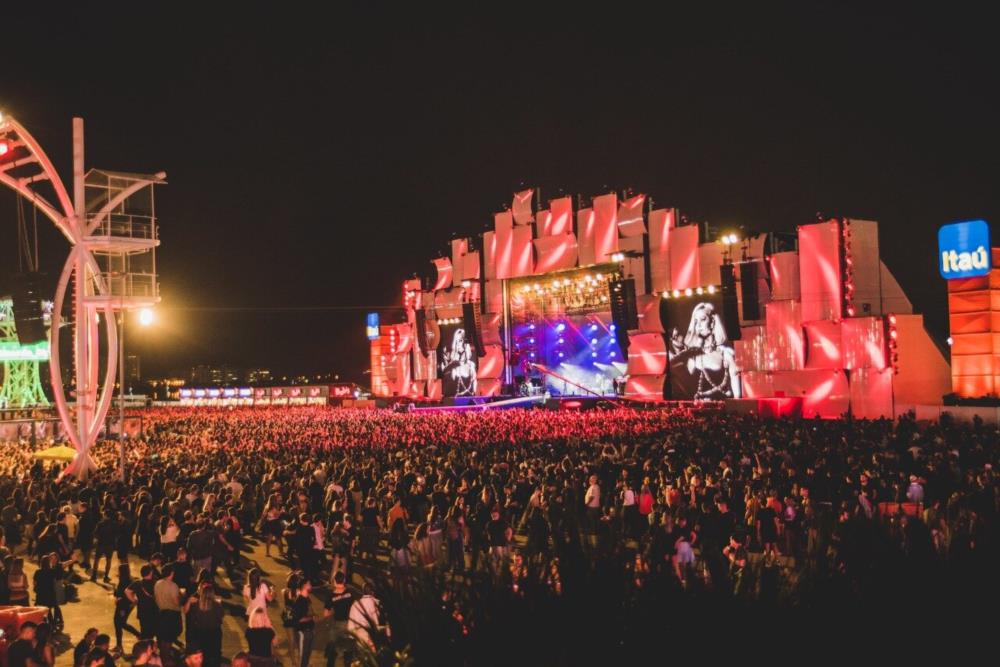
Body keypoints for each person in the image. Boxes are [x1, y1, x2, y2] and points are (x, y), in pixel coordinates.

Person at [184, 581, 223, 667]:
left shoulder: (195, 605)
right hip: (214, 635)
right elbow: (220, 619)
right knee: (213, 656)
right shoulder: (217, 606)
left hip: (200, 634)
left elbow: (190, 617)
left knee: (202, 657)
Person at [323, 570, 355, 667]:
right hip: (349, 624)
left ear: (335, 581)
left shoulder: (331, 596)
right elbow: (354, 606)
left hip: (337, 625)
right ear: (344, 580)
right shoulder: (350, 593)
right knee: (348, 651)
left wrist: (333, 611)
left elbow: (325, 614)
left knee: (333, 651)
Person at [347, 583, 385, 652]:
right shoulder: (372, 602)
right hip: (366, 634)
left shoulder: (355, 603)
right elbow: (375, 623)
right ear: (373, 592)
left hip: (355, 634)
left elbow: (350, 626)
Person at [154, 563, 183, 650]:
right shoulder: (173, 586)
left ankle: (163, 655)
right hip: (172, 615)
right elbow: (176, 602)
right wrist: (181, 597)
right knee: (169, 639)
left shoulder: (157, 583)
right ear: (171, 573)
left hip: (161, 613)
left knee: (163, 637)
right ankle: (167, 656)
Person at [290, 577, 315, 667]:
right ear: (304, 586)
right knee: (303, 657)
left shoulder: (307, 599)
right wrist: (311, 618)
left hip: (309, 631)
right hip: (303, 633)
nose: (311, 586)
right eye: (309, 584)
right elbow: (297, 620)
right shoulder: (299, 601)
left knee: (307, 656)